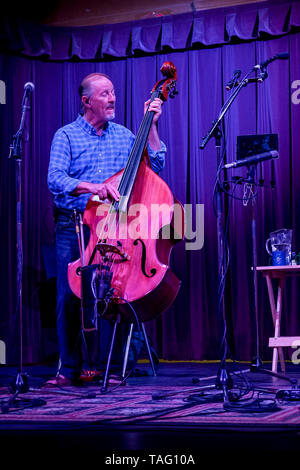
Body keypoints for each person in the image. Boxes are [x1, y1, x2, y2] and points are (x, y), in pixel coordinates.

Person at [46, 72, 166, 385]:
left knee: (118, 295)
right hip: (75, 225)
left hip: (116, 227)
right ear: (86, 101)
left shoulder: (126, 135)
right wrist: (94, 188)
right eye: (104, 94)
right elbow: (55, 179)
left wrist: (151, 125)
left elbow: (157, 164)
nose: (112, 98)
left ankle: (111, 368)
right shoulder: (67, 136)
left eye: (113, 92)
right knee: (69, 296)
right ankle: (68, 368)